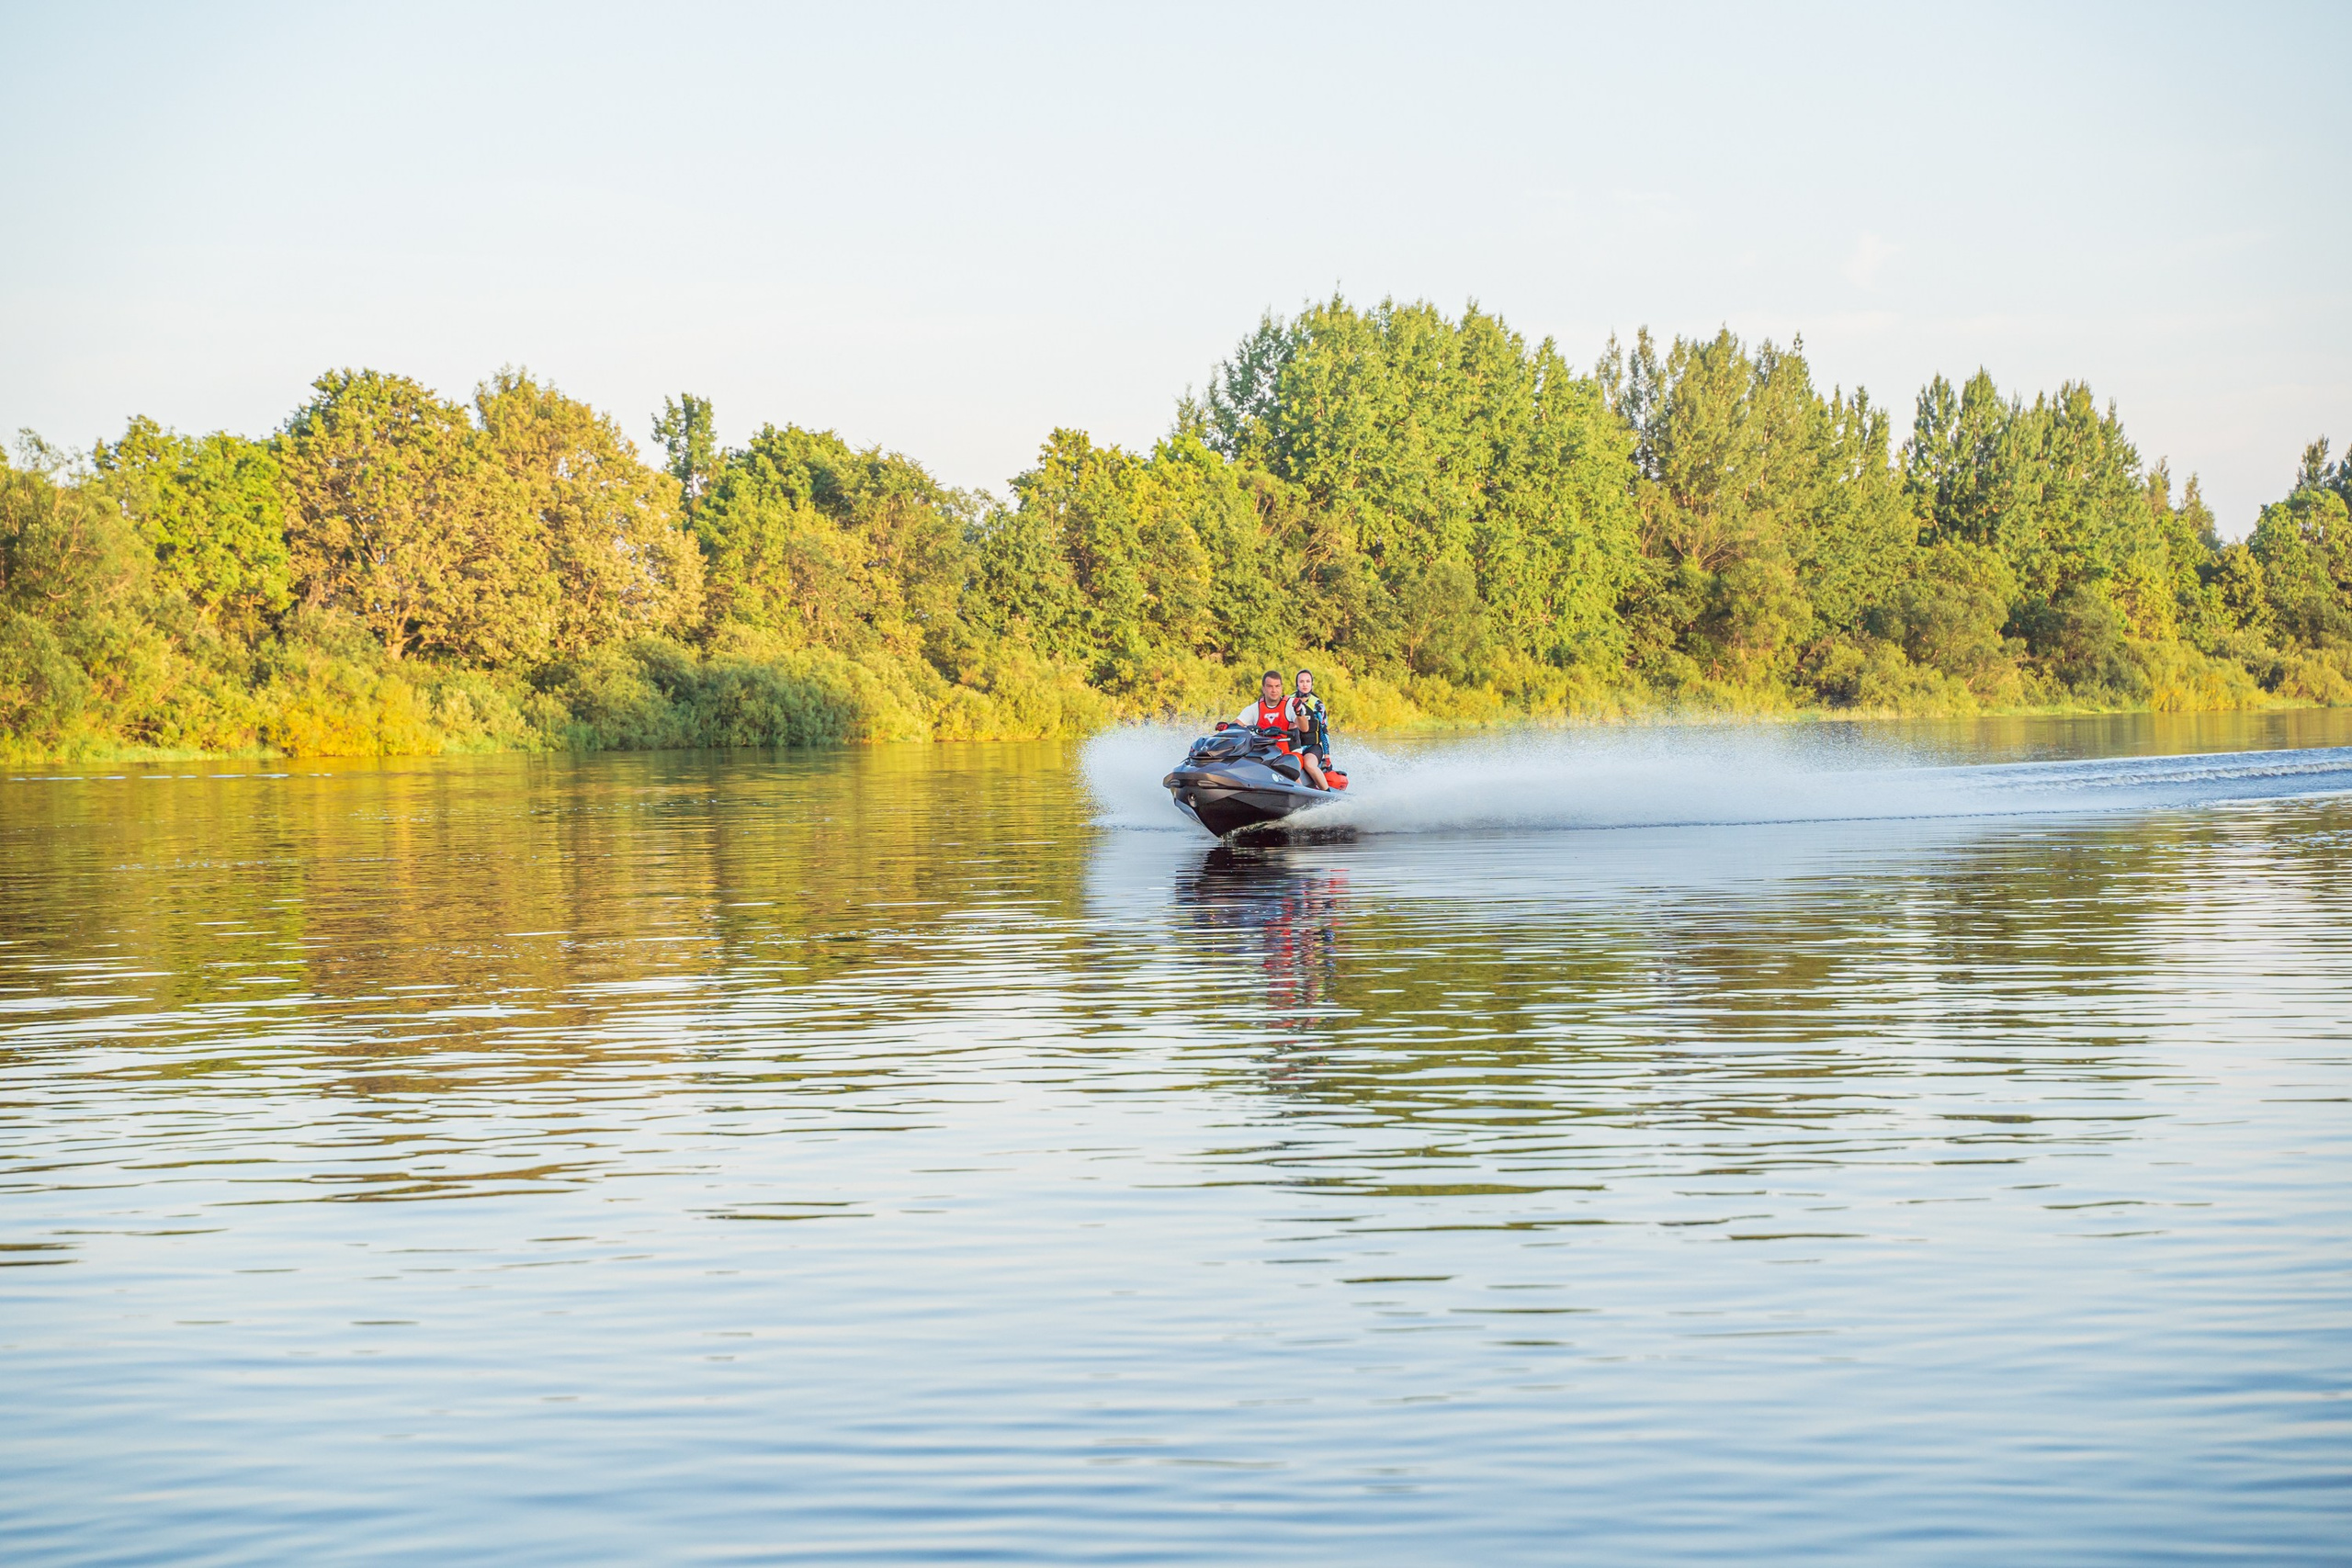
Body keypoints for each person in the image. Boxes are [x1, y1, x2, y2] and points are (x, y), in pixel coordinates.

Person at [1230, 669, 1329, 790]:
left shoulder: (1291, 705)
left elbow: (1305, 728)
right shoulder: (1254, 708)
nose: (1274, 690)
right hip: (1265, 753)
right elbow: (1237, 724)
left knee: (1287, 767)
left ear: (1281, 688)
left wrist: (1299, 714)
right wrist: (1226, 728)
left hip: (1290, 753)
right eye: (1270, 686)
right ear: (1263, 688)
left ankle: (1306, 795)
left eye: (1277, 686)